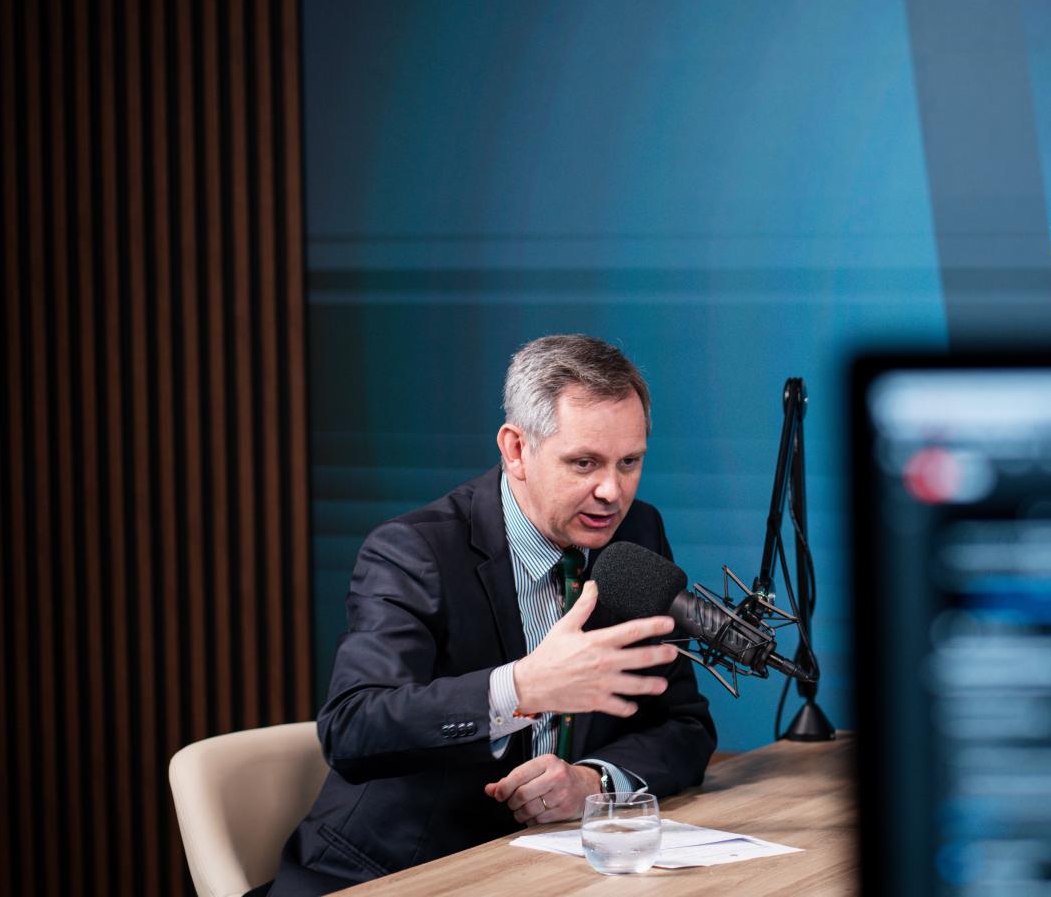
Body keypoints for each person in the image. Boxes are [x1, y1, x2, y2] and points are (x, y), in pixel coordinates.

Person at [269, 334, 716, 895]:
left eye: (630, 462)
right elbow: (353, 728)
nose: (611, 491)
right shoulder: (413, 552)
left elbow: (684, 725)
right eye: (584, 463)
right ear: (516, 449)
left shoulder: (636, 536)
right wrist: (520, 688)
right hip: (391, 874)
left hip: (546, 874)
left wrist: (592, 782)